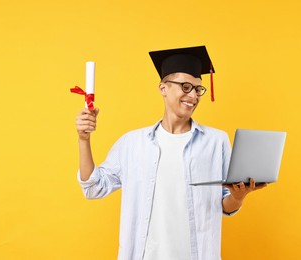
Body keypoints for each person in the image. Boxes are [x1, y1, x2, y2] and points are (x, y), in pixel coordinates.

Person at [75, 46, 267, 260]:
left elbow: (224, 203)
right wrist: (84, 139)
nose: (193, 95)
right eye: (185, 87)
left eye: (198, 89)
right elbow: (93, 188)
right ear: (163, 88)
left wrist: (238, 197)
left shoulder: (216, 141)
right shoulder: (132, 143)